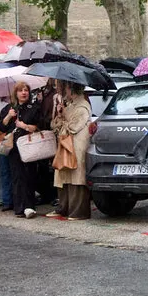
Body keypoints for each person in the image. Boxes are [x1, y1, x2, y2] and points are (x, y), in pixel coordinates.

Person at [51, 80, 93, 220]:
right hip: (67, 144)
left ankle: (78, 211)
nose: (65, 91)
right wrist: (61, 114)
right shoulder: (70, 105)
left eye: (67, 88)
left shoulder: (83, 106)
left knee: (76, 177)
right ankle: (64, 208)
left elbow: (74, 127)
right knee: (64, 175)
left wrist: (63, 120)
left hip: (77, 145)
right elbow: (57, 125)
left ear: (72, 89)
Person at [0, 82, 41, 218]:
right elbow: (1, 127)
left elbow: (38, 126)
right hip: (14, 147)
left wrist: (24, 125)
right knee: (17, 176)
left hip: (29, 145)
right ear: (15, 93)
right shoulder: (9, 108)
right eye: (20, 90)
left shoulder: (34, 107)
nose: (24, 93)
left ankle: (29, 206)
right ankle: (19, 208)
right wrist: (8, 116)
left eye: (26, 90)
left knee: (29, 175)